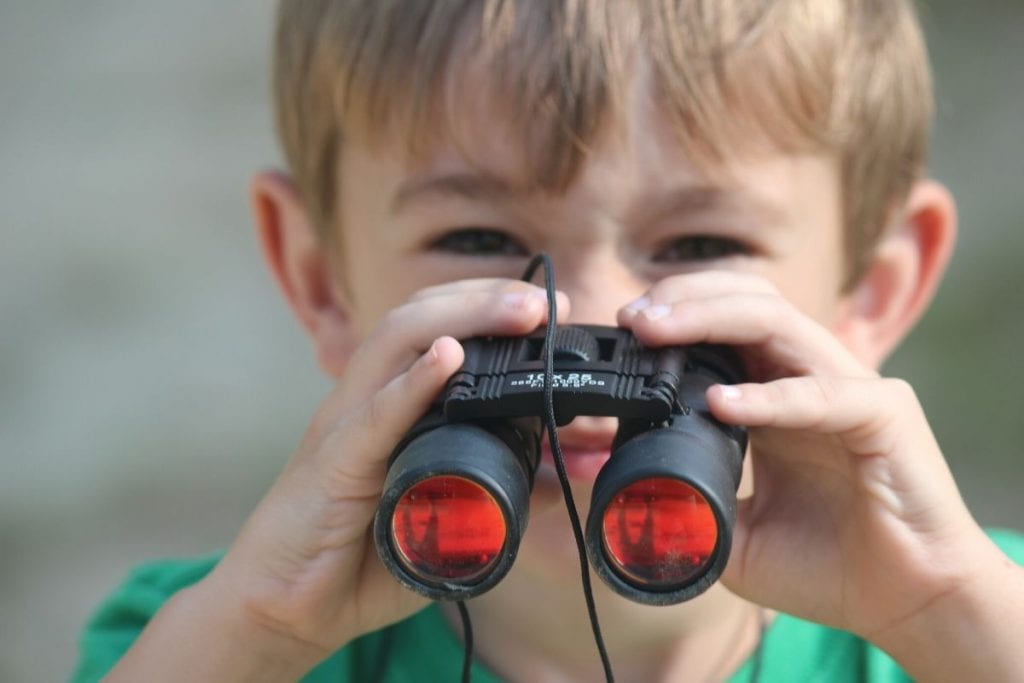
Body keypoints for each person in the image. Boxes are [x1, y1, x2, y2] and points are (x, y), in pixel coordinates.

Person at [72, 1, 1024, 681]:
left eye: (700, 246)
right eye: (479, 240)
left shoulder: (974, 608)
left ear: (874, 288)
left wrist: (943, 615)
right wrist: (262, 628)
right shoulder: (212, 636)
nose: (597, 314)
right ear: (323, 280)